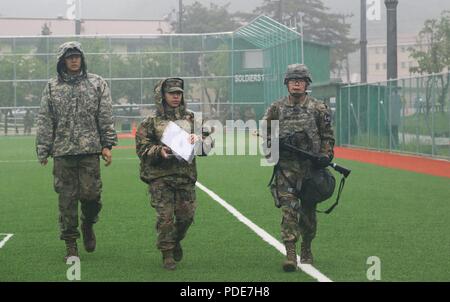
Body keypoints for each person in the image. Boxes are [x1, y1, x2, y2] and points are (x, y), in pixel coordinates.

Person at [35, 41, 118, 261]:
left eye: (77, 56)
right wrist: (43, 149)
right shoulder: (52, 87)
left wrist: (107, 145)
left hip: (90, 151)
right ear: (62, 60)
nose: (74, 60)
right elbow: (45, 119)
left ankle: (88, 223)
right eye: (69, 57)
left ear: (82, 59)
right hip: (63, 153)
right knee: (67, 200)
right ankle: (71, 244)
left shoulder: (97, 83)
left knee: (91, 196)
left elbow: (106, 116)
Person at [262, 64, 335, 272]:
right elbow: (266, 135)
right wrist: (274, 147)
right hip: (286, 170)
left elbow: (328, 136)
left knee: (308, 215)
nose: (296, 83)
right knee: (289, 211)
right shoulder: (276, 109)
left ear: (306, 84)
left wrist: (326, 155)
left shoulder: (318, 108)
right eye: (293, 80)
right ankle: (291, 253)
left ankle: (307, 246)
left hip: (311, 170)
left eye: (300, 80)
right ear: (287, 83)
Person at [136, 78, 213, 270]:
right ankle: (167, 253)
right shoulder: (151, 122)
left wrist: (200, 140)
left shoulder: (193, 120)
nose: (176, 97)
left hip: (185, 177)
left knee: (186, 217)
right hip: (160, 178)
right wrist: (159, 151)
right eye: (171, 93)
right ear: (162, 96)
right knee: (165, 218)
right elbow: (142, 148)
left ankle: (176, 240)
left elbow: (208, 145)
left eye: (179, 93)